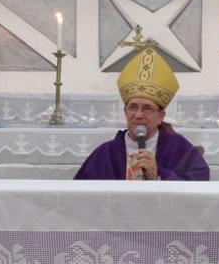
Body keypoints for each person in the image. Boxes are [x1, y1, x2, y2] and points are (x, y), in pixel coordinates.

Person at [74, 47, 209, 181]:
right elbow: (79, 194)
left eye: (147, 108)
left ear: (161, 116)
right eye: (132, 107)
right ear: (125, 112)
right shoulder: (106, 153)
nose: (138, 115)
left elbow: (199, 188)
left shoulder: (178, 148)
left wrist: (158, 175)